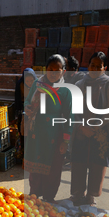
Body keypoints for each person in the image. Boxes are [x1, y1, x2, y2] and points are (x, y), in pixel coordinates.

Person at [23, 54, 72, 202]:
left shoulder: (65, 90)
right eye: (50, 69)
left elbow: (70, 116)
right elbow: (27, 102)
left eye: (57, 70)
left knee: (53, 168)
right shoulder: (37, 84)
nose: (53, 73)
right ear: (46, 69)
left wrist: (65, 141)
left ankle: (49, 199)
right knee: (35, 168)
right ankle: (34, 195)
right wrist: (28, 109)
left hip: (54, 135)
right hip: (36, 133)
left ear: (63, 71)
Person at [70, 52, 109, 206]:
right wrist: (81, 126)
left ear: (105, 68)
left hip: (101, 132)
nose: (95, 69)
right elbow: (73, 109)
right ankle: (78, 193)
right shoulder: (79, 85)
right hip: (81, 131)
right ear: (88, 66)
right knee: (79, 162)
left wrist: (99, 125)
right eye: (92, 65)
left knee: (98, 164)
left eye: (99, 66)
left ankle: (91, 195)